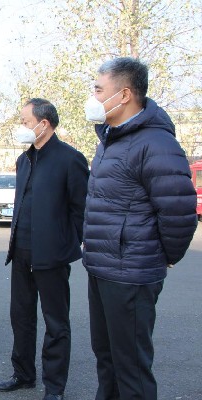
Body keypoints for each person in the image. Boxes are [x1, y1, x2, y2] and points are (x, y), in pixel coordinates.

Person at [83, 57, 198, 400]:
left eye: (98, 90)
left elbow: (179, 211)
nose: (93, 97)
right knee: (107, 358)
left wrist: (165, 256)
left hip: (131, 273)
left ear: (124, 95)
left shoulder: (156, 144)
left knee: (131, 366)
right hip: (103, 267)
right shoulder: (111, 139)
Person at [0, 99, 89, 400]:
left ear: (43, 124)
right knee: (21, 318)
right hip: (21, 253)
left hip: (52, 257)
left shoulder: (70, 159)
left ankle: (55, 387)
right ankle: (23, 374)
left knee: (56, 324)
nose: (21, 127)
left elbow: (81, 210)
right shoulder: (24, 160)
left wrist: (66, 243)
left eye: (25, 121)